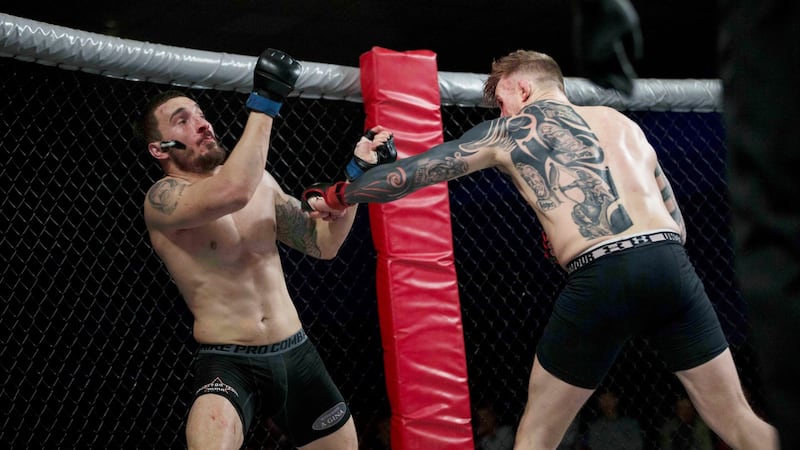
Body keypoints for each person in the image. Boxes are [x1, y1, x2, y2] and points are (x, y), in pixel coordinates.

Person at [302, 50, 779, 450]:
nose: (499, 111)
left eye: (501, 98)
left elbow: (408, 178)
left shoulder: (512, 130)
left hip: (603, 274)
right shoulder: (621, 123)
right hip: (672, 268)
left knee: (537, 436)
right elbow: (675, 219)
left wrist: (339, 193)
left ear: (522, 89)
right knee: (738, 421)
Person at [133, 48, 393, 450]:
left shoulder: (261, 182)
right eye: (182, 121)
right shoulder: (163, 199)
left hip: (296, 353)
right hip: (230, 361)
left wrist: (355, 181)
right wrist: (266, 101)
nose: (202, 124)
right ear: (159, 148)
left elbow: (322, 245)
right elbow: (233, 192)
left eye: (201, 114)